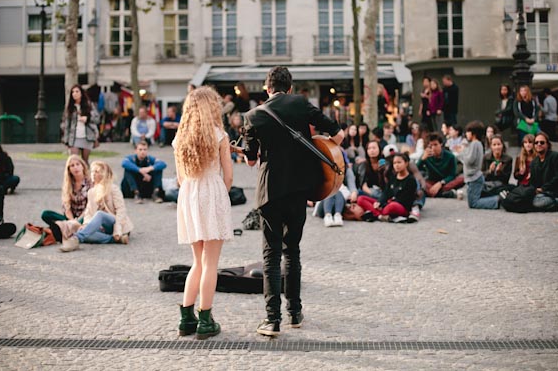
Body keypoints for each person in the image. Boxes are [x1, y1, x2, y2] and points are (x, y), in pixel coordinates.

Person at [243, 66, 344, 337]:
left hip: (270, 192)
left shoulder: (253, 116)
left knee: (271, 255)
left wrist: (248, 151)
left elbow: (251, 159)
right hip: (300, 189)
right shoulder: (301, 104)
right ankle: (295, 313)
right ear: (290, 88)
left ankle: (272, 319)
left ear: (267, 89)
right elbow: (338, 135)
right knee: (293, 251)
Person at [173, 86, 233, 340]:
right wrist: (221, 193)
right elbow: (228, 176)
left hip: (189, 193)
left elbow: (179, 178)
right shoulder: (219, 135)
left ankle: (186, 319)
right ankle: (205, 320)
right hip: (211, 191)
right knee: (211, 263)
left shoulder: (180, 139)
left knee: (197, 261)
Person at [58, 161, 134, 252]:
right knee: (85, 232)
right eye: (92, 171)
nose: (93, 174)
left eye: (97, 171)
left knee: (100, 214)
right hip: (102, 228)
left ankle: (76, 239)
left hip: (117, 224)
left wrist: (117, 230)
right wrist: (86, 225)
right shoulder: (92, 192)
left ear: (104, 174)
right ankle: (114, 239)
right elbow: (89, 213)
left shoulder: (113, 189)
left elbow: (121, 211)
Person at [41, 155, 92, 241]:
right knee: (45, 214)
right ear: (69, 170)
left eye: (77, 164)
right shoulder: (68, 185)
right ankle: (70, 228)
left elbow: (90, 207)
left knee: (87, 217)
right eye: (72, 166)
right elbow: (66, 207)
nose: (75, 167)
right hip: (70, 218)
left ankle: (64, 230)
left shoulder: (90, 182)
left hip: (85, 217)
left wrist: (77, 221)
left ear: (83, 166)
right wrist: (72, 221)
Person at [356, 153, 417, 223]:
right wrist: (379, 202)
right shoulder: (393, 177)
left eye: (399, 162)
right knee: (361, 199)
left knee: (392, 206)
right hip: (386, 204)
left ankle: (375, 213)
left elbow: (405, 200)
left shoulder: (410, 180)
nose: (397, 165)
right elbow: (386, 192)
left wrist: (384, 204)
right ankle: (380, 216)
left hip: (400, 206)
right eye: (394, 163)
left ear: (406, 163)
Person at [458, 121, 499, 209]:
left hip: (474, 177)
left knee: (474, 203)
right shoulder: (477, 144)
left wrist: (461, 152)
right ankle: (494, 200)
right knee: (473, 201)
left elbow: (470, 160)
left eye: (468, 132)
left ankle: (496, 200)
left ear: (474, 133)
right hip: (474, 177)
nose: (466, 134)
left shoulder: (475, 144)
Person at [416, 132, 464, 198]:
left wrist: (441, 183)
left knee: (462, 179)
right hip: (431, 182)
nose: (433, 148)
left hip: (445, 182)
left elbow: (452, 175)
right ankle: (446, 193)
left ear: (441, 144)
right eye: (431, 145)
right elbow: (415, 170)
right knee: (419, 181)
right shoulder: (426, 155)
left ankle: (435, 192)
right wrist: (422, 159)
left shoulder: (450, 156)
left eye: (435, 145)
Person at [61, 84, 100, 164]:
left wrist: (87, 119)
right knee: (74, 161)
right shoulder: (69, 107)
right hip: (74, 137)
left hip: (87, 137)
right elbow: (66, 124)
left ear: (81, 93)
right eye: (73, 92)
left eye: (77, 91)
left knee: (85, 161)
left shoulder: (89, 105)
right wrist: (66, 140)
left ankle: (87, 176)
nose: (74, 94)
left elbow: (97, 118)